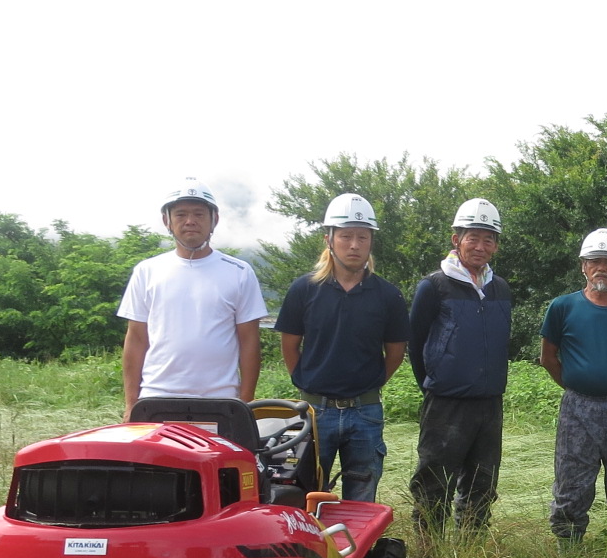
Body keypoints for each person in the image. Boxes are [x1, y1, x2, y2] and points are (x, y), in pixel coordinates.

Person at [275, 193, 410, 502]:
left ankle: (356, 552)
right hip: (314, 410)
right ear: (329, 239)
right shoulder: (304, 290)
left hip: (365, 412)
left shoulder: (388, 296)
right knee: (304, 492)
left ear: (371, 241)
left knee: (361, 496)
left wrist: (367, 385)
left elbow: (395, 353)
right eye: (346, 236)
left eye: (362, 237)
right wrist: (307, 383)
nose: (354, 245)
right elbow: (290, 345)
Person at [118, 178, 268, 416]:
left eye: (199, 214)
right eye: (180, 214)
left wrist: (245, 402)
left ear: (214, 220)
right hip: (157, 398)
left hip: (221, 400)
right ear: (166, 220)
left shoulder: (239, 272)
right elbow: (136, 339)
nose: (190, 221)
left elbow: (249, 341)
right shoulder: (147, 271)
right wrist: (131, 403)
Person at [407, 198, 512, 534]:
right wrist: (435, 381)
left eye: (488, 239)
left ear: (495, 245)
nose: (480, 246)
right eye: (473, 238)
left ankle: (471, 550)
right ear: (456, 239)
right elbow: (416, 343)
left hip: (489, 404)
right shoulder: (434, 286)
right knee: (434, 482)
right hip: (446, 404)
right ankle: (430, 553)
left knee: (483, 482)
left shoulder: (500, 288)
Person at [539, 228, 607, 551]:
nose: (603, 267)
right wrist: (578, 385)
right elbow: (548, 357)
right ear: (583, 266)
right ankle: (569, 551)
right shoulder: (562, 307)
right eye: (596, 261)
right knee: (572, 482)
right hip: (578, 409)